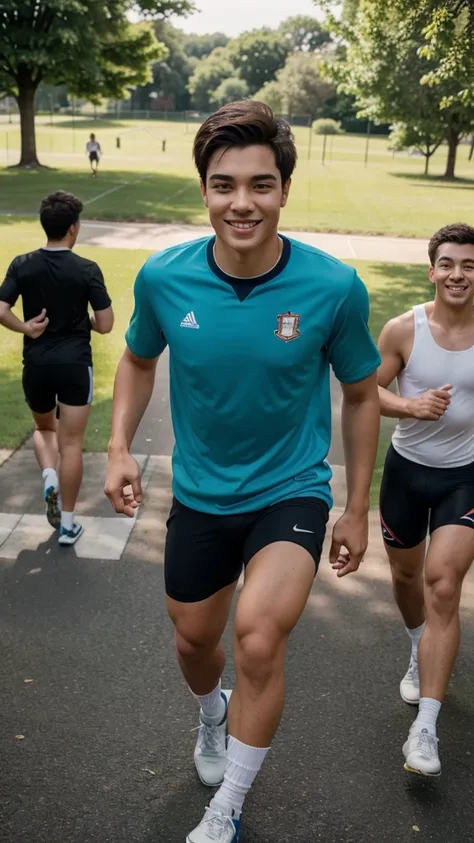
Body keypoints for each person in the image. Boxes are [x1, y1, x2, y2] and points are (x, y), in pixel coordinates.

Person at [105, 101, 381, 843]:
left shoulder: (333, 287)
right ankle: (211, 714)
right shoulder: (164, 278)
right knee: (196, 640)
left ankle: (225, 805)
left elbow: (361, 395)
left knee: (259, 637)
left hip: (291, 488)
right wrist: (119, 445)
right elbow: (136, 358)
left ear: (284, 190)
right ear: (204, 191)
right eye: (224, 185)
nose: (242, 202)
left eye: (261, 184)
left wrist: (356, 506)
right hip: (199, 493)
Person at [377, 222, 474, 777]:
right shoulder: (404, 329)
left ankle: (426, 729)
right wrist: (413, 407)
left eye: (469, 265)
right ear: (432, 269)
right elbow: (366, 392)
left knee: (443, 583)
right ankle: (419, 646)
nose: (458, 274)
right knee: (408, 580)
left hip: (467, 476)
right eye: (449, 264)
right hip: (408, 474)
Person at [0, 191, 114, 546]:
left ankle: (48, 475)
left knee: (43, 428)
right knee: (72, 444)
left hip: (36, 364)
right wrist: (86, 321)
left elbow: (1, 308)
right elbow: (106, 323)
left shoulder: (22, 264)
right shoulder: (87, 269)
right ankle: (67, 524)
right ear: (74, 229)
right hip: (75, 366)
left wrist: (26, 327)